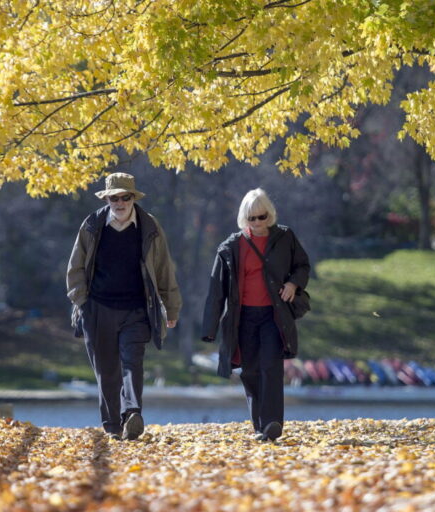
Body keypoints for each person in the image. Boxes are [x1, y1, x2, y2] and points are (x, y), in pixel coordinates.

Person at [67, 172, 182, 440]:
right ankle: (112, 425)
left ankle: (132, 413)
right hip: (98, 308)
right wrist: (81, 303)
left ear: (133, 198)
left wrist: (171, 308)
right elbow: (75, 268)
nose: (119, 203)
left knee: (133, 362)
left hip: (137, 309)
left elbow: (164, 269)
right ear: (107, 199)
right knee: (106, 370)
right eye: (114, 198)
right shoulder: (93, 225)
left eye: (125, 197)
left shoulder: (149, 227)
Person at [201, 188, 310, 442]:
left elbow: (302, 265)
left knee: (271, 367)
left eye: (262, 216)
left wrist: (293, 284)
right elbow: (216, 289)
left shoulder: (285, 237)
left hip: (274, 316)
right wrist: (210, 328)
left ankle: (273, 423)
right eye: (252, 218)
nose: (258, 223)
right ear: (244, 219)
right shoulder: (230, 247)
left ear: (269, 215)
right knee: (249, 371)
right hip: (243, 318)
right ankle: (260, 426)